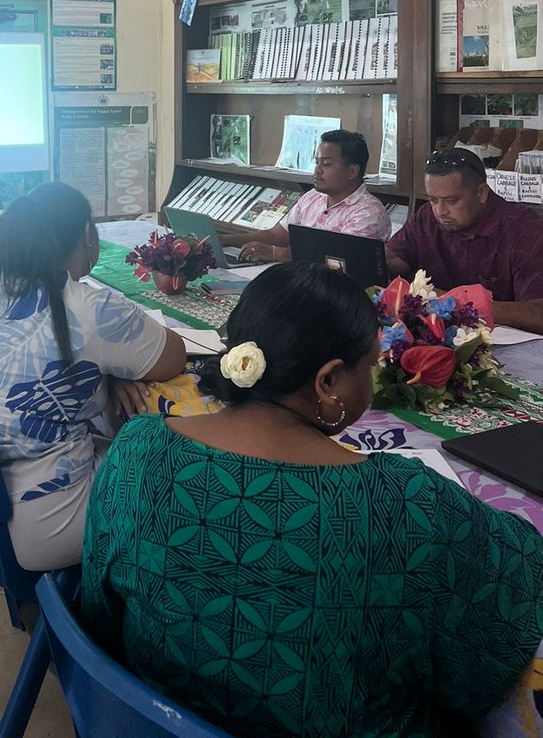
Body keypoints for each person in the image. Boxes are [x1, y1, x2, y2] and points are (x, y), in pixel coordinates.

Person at [82, 262, 543, 738]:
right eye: (370, 366)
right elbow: (507, 612)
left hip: (155, 718)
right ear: (327, 382)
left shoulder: (138, 448)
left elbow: (99, 611)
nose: (372, 378)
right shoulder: (403, 503)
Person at [0, 183, 186, 571]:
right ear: (86, 235)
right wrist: (115, 369)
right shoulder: (92, 308)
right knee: (164, 458)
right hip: (31, 529)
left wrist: (106, 371)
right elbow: (174, 358)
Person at [387, 147, 543, 333]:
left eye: (452, 201)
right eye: (433, 200)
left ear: (481, 193)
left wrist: (455, 303)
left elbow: (537, 313)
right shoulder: (427, 217)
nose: (440, 211)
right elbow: (395, 260)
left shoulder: (524, 228)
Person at [238, 129, 391, 262]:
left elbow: (337, 260)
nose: (317, 170)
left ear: (352, 171)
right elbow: (276, 235)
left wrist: (275, 253)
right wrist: (224, 241)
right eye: (317, 162)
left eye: (326, 164)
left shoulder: (369, 213)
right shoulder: (312, 197)